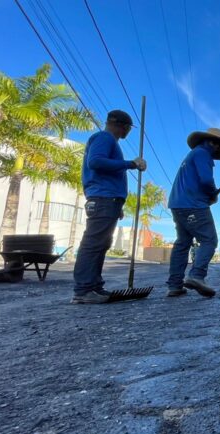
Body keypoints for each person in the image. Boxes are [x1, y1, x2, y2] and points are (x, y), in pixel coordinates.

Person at [72, 110, 146, 304]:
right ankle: (83, 290)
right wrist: (131, 164)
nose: (128, 131)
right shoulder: (105, 138)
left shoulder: (108, 141)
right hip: (103, 198)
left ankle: (93, 286)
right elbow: (95, 162)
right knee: (93, 244)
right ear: (124, 126)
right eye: (129, 128)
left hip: (108, 200)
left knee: (101, 244)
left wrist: (117, 204)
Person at [166, 128, 220, 298]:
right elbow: (206, 180)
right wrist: (212, 194)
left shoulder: (193, 155)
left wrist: (208, 195)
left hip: (178, 204)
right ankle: (197, 276)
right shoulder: (203, 154)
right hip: (193, 205)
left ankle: (175, 285)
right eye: (218, 148)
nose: (217, 152)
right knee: (209, 239)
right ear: (213, 143)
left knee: (182, 243)